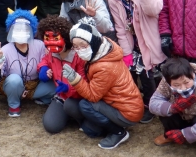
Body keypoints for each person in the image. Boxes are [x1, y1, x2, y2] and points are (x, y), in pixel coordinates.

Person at [61, 21, 144, 149]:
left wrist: (75, 80)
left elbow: (93, 96)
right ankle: (106, 125)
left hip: (126, 111)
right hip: (113, 103)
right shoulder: (99, 52)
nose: (79, 50)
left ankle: (119, 133)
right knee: (91, 131)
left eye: (83, 45)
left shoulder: (104, 66)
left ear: (93, 42)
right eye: (75, 46)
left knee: (85, 105)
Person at [106, 0, 165, 123]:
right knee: (135, 73)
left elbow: (154, 9)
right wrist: (126, 52)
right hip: (132, 41)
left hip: (148, 38)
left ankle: (152, 104)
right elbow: (120, 27)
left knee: (149, 74)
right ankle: (141, 103)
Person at [0, 8, 55, 117]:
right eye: (17, 29)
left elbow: (45, 64)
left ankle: (42, 98)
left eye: (24, 30)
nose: (21, 33)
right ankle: (14, 104)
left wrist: (47, 69)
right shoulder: (5, 50)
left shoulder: (40, 45)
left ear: (31, 30)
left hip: (34, 86)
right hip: (13, 86)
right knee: (14, 80)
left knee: (56, 86)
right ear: (11, 30)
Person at [36, 16, 86, 133]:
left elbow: (85, 83)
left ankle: (83, 119)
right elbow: (45, 61)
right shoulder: (52, 54)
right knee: (51, 126)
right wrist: (43, 69)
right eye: (47, 38)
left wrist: (69, 88)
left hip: (80, 99)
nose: (51, 42)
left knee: (70, 105)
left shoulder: (79, 56)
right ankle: (68, 115)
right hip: (61, 97)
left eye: (55, 38)